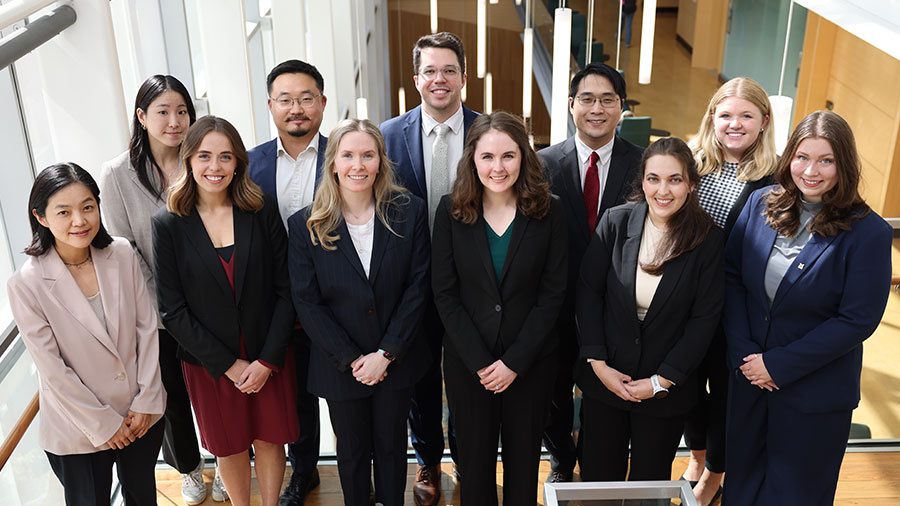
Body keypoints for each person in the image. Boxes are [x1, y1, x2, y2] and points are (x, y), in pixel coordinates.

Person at [722, 111, 892, 506]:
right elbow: (731, 278)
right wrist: (745, 355)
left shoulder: (869, 232)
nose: (810, 171)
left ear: (844, 164)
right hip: (749, 383)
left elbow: (856, 320)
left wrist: (777, 365)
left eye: (825, 160)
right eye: (802, 157)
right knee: (742, 491)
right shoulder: (759, 203)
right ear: (788, 158)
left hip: (813, 397)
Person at [152, 116, 298, 506]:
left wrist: (267, 360)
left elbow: (287, 289)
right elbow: (172, 310)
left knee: (270, 440)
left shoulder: (260, 208)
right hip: (210, 363)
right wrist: (229, 365)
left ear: (238, 163)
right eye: (204, 156)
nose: (214, 167)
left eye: (225, 157)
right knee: (229, 447)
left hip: (268, 354)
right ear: (188, 160)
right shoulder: (167, 223)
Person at [288, 119, 430, 506]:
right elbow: (307, 302)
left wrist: (386, 354)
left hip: (395, 360)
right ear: (332, 162)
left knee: (391, 449)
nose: (358, 165)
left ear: (381, 162)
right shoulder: (305, 226)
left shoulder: (409, 212)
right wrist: (353, 359)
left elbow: (418, 288)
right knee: (350, 454)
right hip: (340, 364)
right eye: (347, 155)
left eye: (368, 155)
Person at [8, 163, 166, 506]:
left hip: (139, 415)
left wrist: (147, 399)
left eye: (87, 207)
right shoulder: (26, 283)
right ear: (42, 217)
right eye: (64, 212)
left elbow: (147, 330)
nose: (79, 220)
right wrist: (105, 423)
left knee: (143, 498)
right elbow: (53, 370)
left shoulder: (121, 253)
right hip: (78, 427)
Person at [432, 111, 568, 505]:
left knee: (524, 465)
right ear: (472, 159)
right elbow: (445, 294)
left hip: (530, 363)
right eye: (487, 157)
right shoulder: (450, 211)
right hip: (468, 365)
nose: (498, 167)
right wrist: (480, 362)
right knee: (474, 467)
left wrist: (513, 363)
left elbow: (552, 295)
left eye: (508, 156)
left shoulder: (550, 211)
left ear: (524, 157)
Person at [98, 74, 220, 505]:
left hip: (213, 304)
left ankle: (222, 460)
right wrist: (165, 308)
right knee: (171, 399)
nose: (174, 121)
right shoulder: (117, 175)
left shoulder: (202, 159)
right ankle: (189, 469)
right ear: (141, 116)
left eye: (182, 111)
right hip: (156, 313)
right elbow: (123, 249)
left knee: (216, 389)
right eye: (163, 112)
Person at [575, 138, 724, 488]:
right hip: (606, 381)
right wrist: (598, 364)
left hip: (666, 390)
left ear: (691, 183)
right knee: (597, 481)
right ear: (642, 181)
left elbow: (704, 320)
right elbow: (588, 293)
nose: (663, 190)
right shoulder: (615, 222)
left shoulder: (708, 239)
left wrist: (660, 382)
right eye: (654, 178)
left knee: (649, 485)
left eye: (675, 180)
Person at [379, 30, 479, 505]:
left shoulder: (488, 132)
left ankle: (466, 455)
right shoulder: (386, 136)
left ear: (464, 76)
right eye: (430, 71)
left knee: (467, 373)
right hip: (411, 283)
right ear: (416, 78)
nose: (440, 79)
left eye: (449, 70)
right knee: (420, 378)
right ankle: (429, 462)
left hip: (474, 282)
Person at [538, 62, 642, 483]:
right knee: (554, 392)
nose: (596, 108)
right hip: (556, 303)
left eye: (607, 100)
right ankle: (562, 460)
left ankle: (600, 464)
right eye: (587, 99)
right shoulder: (542, 163)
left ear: (622, 108)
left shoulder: (643, 165)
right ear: (570, 105)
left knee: (606, 393)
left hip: (619, 306)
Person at [682, 76, 777, 506]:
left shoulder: (775, 178)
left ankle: (714, 472)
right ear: (712, 119)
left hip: (735, 306)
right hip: (685, 300)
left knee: (724, 394)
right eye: (725, 115)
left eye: (746, 115)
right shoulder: (691, 164)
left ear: (764, 121)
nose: (734, 124)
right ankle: (697, 455)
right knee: (683, 386)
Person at [248, 58, 328, 506]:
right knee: (295, 398)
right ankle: (305, 472)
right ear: (270, 105)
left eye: (305, 98)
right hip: (276, 306)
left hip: (336, 302)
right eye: (285, 99)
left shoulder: (347, 156)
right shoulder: (250, 163)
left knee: (344, 391)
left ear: (321, 102)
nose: (296, 108)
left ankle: (358, 464)